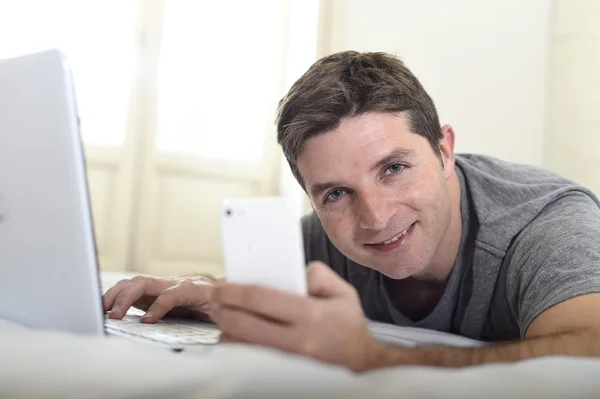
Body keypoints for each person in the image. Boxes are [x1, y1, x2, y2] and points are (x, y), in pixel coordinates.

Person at [103, 51, 600, 372]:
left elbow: (589, 352)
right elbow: (262, 301)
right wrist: (207, 293)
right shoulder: (324, 240)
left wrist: (376, 360)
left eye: (394, 168)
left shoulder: (548, 226)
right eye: (336, 194)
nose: (376, 218)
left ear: (445, 150)